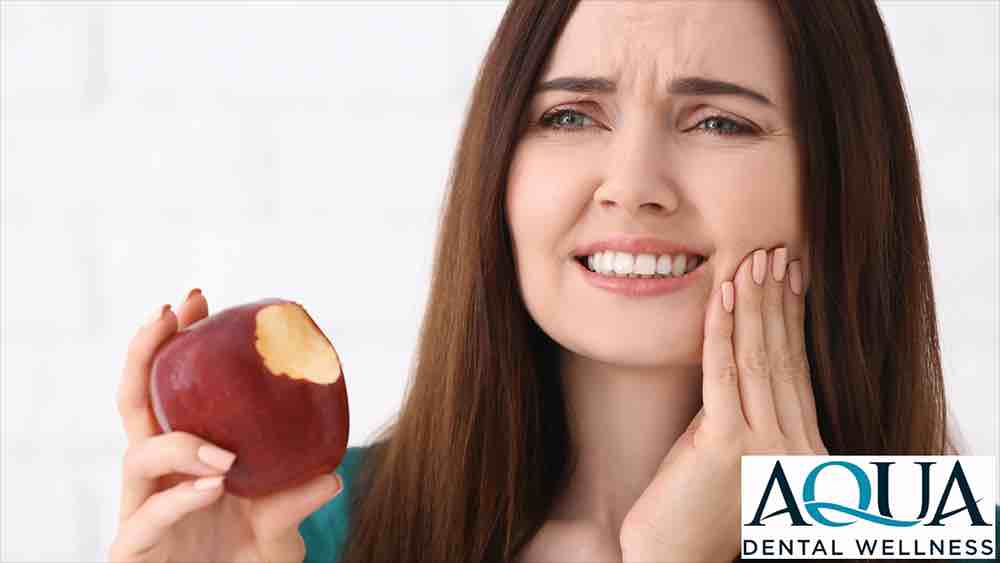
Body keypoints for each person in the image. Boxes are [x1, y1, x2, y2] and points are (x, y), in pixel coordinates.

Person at [109, 1, 998, 562]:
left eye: (721, 122)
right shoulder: (316, 530)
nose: (631, 180)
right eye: (570, 114)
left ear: (842, 181)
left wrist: (793, 534)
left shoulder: (939, 530)